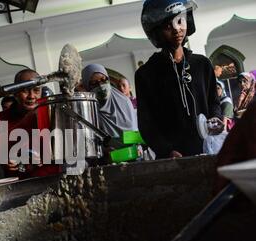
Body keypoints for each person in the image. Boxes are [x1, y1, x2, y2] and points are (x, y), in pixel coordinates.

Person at [135, 0, 222, 159]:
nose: (177, 30)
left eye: (180, 21)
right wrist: (166, 150)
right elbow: (147, 124)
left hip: (208, 150)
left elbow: (214, 102)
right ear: (156, 31)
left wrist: (216, 118)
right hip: (172, 157)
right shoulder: (145, 74)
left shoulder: (202, 64)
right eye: (168, 26)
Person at [0, 69, 60, 179]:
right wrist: (3, 161)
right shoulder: (1, 119)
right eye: (25, 90)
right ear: (15, 92)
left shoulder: (51, 114)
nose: (31, 96)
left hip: (50, 178)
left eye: (36, 90)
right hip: (17, 183)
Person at [81, 64, 138, 139]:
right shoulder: (87, 110)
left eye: (103, 80)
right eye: (94, 83)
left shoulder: (125, 101)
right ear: (87, 87)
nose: (101, 85)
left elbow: (135, 130)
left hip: (134, 148)